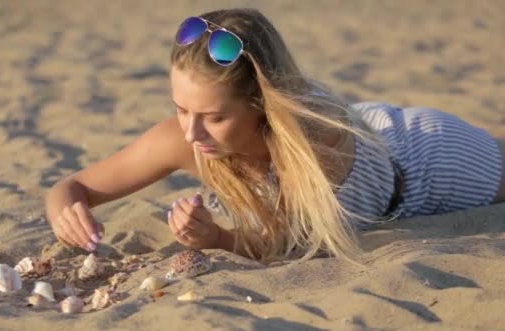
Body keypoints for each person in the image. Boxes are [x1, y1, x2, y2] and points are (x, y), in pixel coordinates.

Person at [44, 8, 505, 264]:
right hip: (369, 125)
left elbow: (290, 248)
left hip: (430, 162)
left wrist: (220, 239)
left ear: (264, 106)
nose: (191, 131)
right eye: (180, 109)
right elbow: (71, 187)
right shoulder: (187, 136)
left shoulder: (312, 145)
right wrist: (68, 213)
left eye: (213, 117)